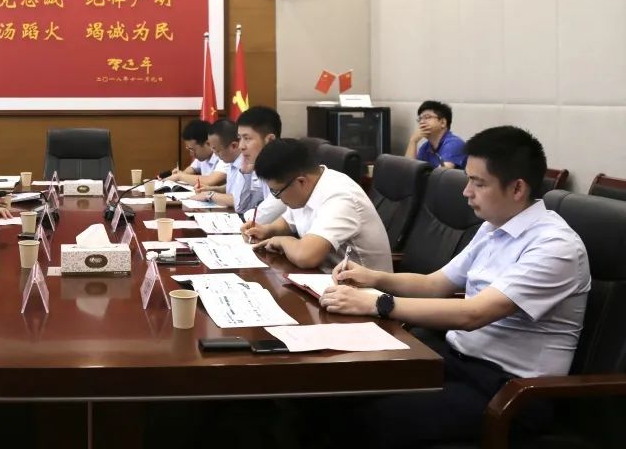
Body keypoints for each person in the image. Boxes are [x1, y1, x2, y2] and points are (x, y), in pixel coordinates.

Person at [320, 126, 590, 447]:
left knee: (374, 420)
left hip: (509, 391)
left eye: (478, 183)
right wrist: (373, 277)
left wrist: (379, 303)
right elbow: (435, 283)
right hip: (455, 361)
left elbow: (474, 314)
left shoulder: (555, 246)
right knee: (339, 387)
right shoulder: (493, 228)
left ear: (517, 188)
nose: (466, 192)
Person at [242, 138, 393, 273]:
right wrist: (267, 230)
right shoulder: (308, 187)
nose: (278, 198)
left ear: (301, 182)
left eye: (276, 191)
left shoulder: (340, 196)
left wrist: (282, 241)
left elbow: (306, 256)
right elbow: (289, 221)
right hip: (329, 278)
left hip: (367, 290)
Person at [405, 100, 466, 169]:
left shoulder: (454, 144)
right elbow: (408, 170)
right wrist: (413, 141)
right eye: (420, 119)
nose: (421, 122)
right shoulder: (425, 147)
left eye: (427, 117)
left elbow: (442, 173)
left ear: (443, 123)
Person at [169, 119, 227, 188]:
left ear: (208, 143)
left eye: (192, 149)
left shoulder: (223, 155)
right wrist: (180, 174)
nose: (191, 154)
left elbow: (210, 181)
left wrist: (180, 176)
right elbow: (192, 169)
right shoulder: (204, 156)